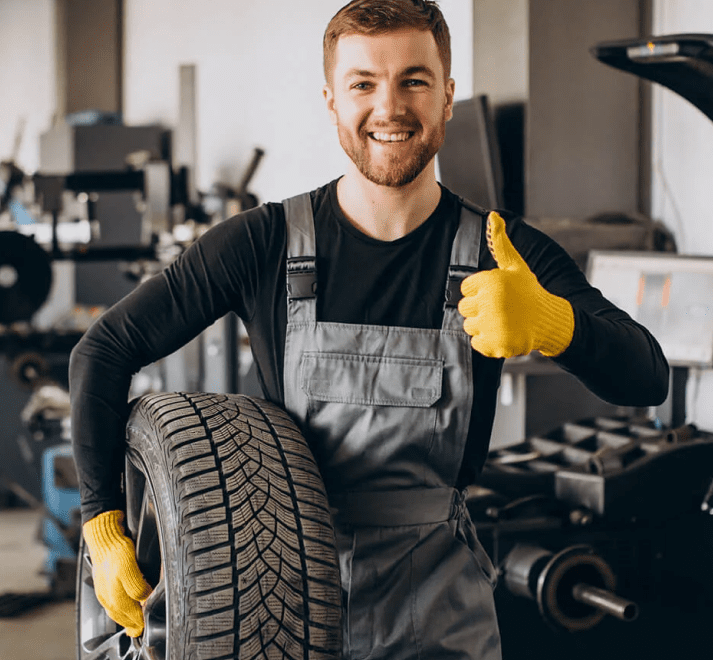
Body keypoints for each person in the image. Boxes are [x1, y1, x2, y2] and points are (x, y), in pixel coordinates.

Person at [70, 0, 670, 658]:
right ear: (331, 101)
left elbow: (646, 377)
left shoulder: (503, 251)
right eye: (363, 84)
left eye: (414, 80)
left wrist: (555, 323)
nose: (389, 108)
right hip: (275, 606)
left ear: (447, 96)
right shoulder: (264, 243)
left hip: (439, 612)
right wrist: (103, 523)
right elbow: (103, 351)